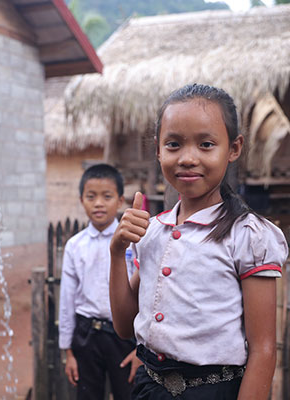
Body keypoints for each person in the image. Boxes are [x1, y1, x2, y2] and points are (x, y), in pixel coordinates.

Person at [109, 84, 289, 400]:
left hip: (214, 390)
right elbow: (125, 327)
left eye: (206, 144)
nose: (188, 158)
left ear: (234, 148)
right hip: (150, 388)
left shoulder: (246, 235)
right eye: (174, 144)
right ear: (158, 149)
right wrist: (116, 252)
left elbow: (262, 349)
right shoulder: (153, 231)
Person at [59, 163, 142, 400]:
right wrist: (69, 352)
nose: (98, 203)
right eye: (91, 196)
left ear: (119, 201)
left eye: (107, 196)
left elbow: (147, 292)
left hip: (124, 337)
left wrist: (141, 349)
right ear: (81, 200)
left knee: (128, 394)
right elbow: (67, 300)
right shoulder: (75, 246)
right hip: (86, 336)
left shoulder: (134, 241)